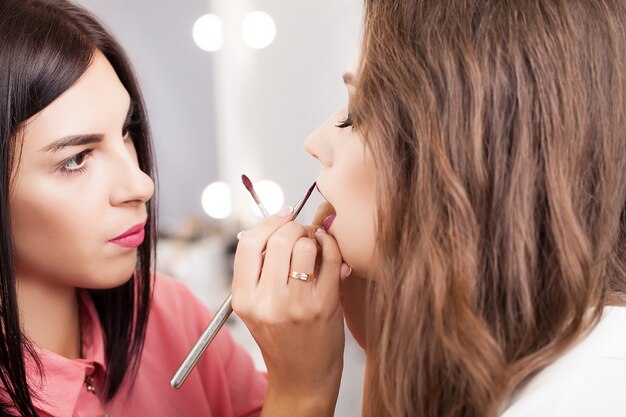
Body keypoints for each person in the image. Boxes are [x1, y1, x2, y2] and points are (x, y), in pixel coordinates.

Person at [231, 0, 626, 416]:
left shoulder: (587, 391)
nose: (315, 142)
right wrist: (387, 340)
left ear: (469, 147)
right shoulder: (527, 356)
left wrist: (300, 394)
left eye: (357, 116)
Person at [0, 0, 267, 416]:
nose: (141, 184)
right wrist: (303, 385)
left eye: (126, 131)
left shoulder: (166, 312)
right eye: (76, 158)